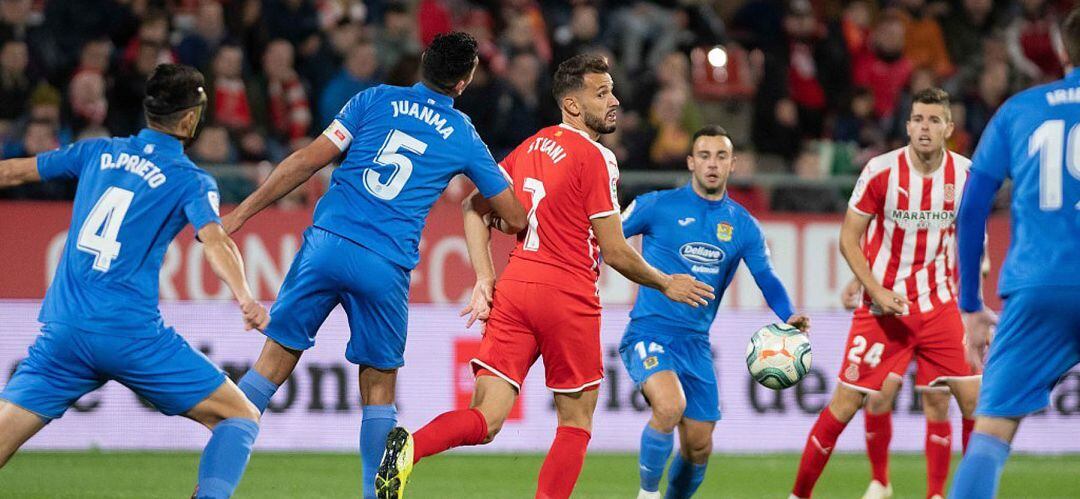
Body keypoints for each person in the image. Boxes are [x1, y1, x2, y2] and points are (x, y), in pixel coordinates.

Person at [375, 54, 715, 499]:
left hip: (516, 289)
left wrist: (484, 278)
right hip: (567, 294)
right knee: (575, 423)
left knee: (486, 417)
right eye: (601, 93)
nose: (614, 101)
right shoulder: (597, 157)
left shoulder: (532, 146)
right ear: (572, 105)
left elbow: (472, 207)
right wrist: (665, 282)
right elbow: (614, 250)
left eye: (612, 90)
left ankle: (411, 447)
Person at [220, 32, 526, 499]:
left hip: (327, 245)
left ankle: (214, 486)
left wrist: (240, 214)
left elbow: (305, 161)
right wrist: (492, 211)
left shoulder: (372, 99)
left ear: (423, 62)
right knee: (379, 393)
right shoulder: (463, 133)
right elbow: (515, 213)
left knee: (267, 370)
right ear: (465, 82)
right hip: (384, 265)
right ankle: (372, 494)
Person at [0, 64, 269, 499]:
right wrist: (245, 296)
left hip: (65, 329)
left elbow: (12, 173)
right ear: (189, 119)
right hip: (128, 333)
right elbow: (215, 239)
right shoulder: (190, 180)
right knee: (239, 416)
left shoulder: (95, 151)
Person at [789, 88, 981, 499]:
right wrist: (872, 286)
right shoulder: (881, 171)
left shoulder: (966, 175)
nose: (924, 128)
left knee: (973, 405)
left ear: (949, 128)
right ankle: (801, 494)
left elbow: (972, 240)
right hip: (882, 310)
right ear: (907, 125)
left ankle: (951, 494)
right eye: (917, 119)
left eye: (933, 120)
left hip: (940, 308)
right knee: (847, 403)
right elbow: (849, 238)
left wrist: (974, 303)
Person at [621, 125, 811, 499]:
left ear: (732, 164)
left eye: (721, 156)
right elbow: (606, 239)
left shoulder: (742, 225)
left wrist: (788, 314)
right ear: (691, 162)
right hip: (649, 332)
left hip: (695, 343)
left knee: (698, 447)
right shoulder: (656, 205)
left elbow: (766, 278)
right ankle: (646, 494)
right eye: (704, 156)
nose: (712, 164)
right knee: (670, 406)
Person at [949, 8, 1080, 498]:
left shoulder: (1020, 109)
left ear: (1062, 52)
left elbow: (972, 208)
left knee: (990, 435)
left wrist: (969, 305)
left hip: (1038, 287)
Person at [841, 277, 976, 499]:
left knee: (937, 399)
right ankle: (880, 481)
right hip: (897, 308)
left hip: (939, 307)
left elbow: (976, 253)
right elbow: (883, 243)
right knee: (879, 394)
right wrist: (858, 280)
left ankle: (936, 493)